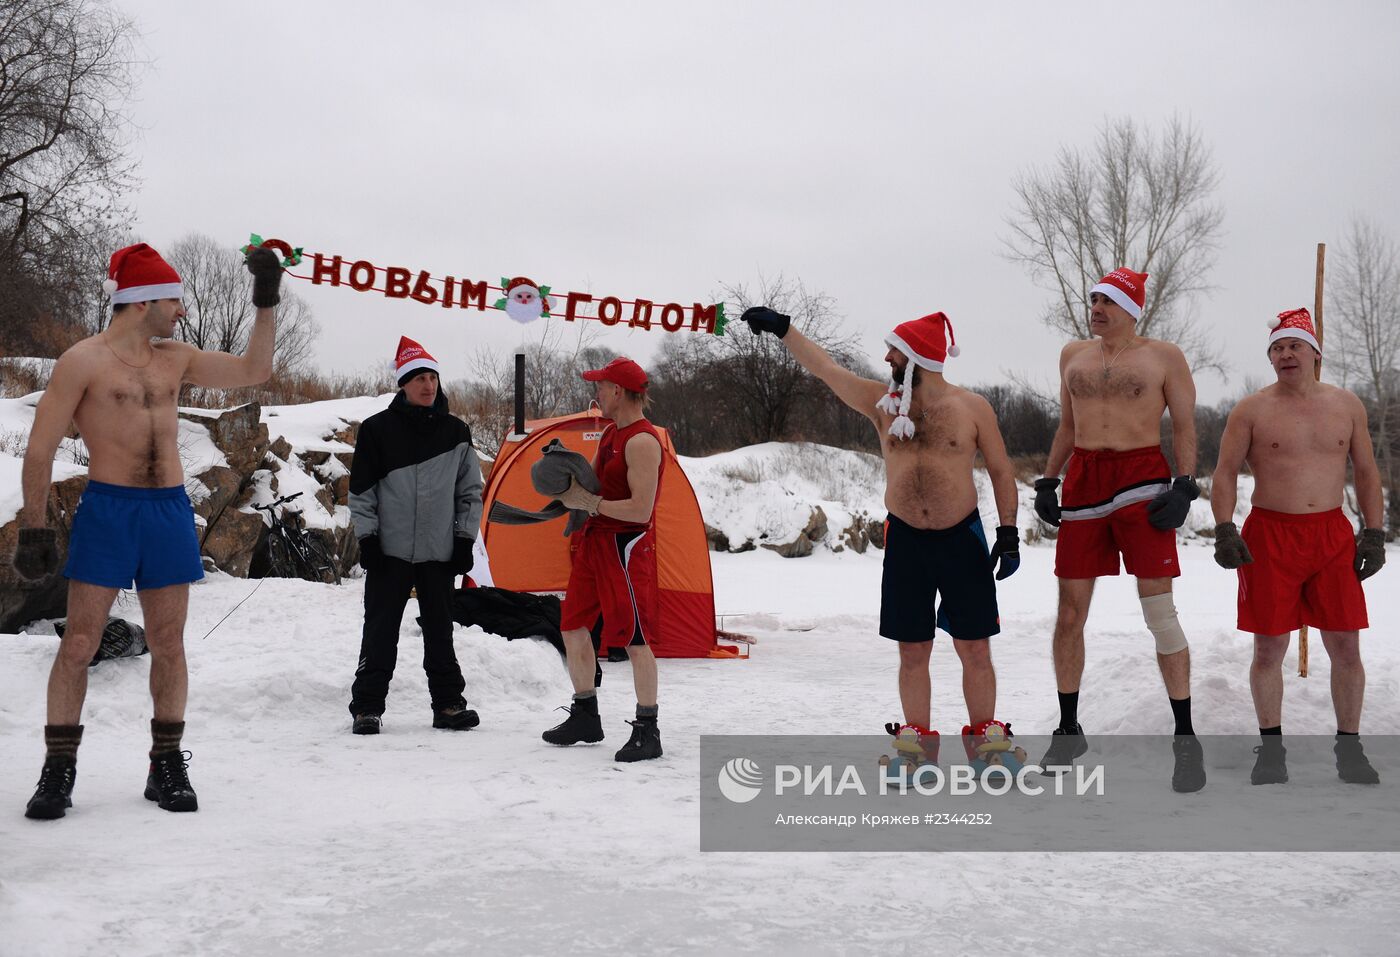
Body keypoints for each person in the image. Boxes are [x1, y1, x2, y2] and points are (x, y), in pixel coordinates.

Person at [13, 242, 282, 819]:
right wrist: (34, 530)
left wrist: (266, 299)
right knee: (80, 642)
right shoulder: (82, 361)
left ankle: (165, 766)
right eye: (174, 300)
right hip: (109, 510)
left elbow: (255, 371)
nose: (181, 311)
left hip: (166, 513)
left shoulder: (174, 358)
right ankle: (58, 771)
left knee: (168, 642)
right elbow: (38, 450)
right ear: (142, 302)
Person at [744, 307, 1022, 764]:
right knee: (912, 649)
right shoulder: (882, 402)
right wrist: (785, 330)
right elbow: (826, 369)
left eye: (895, 350)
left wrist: (1008, 532)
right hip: (907, 542)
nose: (887, 356)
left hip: (961, 540)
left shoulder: (972, 408)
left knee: (974, 647)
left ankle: (987, 745)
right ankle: (917, 748)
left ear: (919, 357)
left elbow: (1000, 469)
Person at [1034, 268, 1206, 792]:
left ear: (1133, 308)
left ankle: (1185, 737)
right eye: (1093, 299)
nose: (1096, 307)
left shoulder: (1164, 356)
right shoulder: (1072, 356)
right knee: (1068, 613)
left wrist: (1184, 486)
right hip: (1085, 479)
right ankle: (1069, 728)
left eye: (1108, 300)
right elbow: (1067, 424)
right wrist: (1047, 480)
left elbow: (1183, 425)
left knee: (1159, 610)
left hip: (1142, 478)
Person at [1211, 308, 1384, 785]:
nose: (1285, 354)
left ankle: (1349, 749)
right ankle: (1271, 750)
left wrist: (1374, 531)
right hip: (1270, 536)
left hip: (1331, 536)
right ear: (1270, 358)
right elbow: (1224, 473)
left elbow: (1367, 472)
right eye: (1277, 348)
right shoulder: (1251, 409)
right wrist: (1224, 528)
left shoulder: (1346, 405)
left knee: (1346, 646)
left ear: (1314, 353)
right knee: (1268, 648)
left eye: (1294, 346)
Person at [347, 336, 484, 735]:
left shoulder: (457, 432)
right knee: (379, 632)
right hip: (389, 552)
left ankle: (448, 706)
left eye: (433, 378)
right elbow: (361, 492)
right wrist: (368, 539)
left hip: (439, 552)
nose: (428, 386)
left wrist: (463, 541)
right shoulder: (376, 431)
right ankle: (367, 707)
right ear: (403, 384)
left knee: (440, 632)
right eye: (419, 378)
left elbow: (470, 494)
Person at [541, 356, 666, 762]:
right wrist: (565, 475)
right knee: (572, 626)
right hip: (595, 544)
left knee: (634, 639)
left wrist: (591, 501)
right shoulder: (612, 432)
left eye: (601, 386)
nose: (596, 393)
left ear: (618, 391)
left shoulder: (643, 441)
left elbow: (641, 510)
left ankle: (648, 730)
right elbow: (591, 488)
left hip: (625, 549)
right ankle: (585, 715)